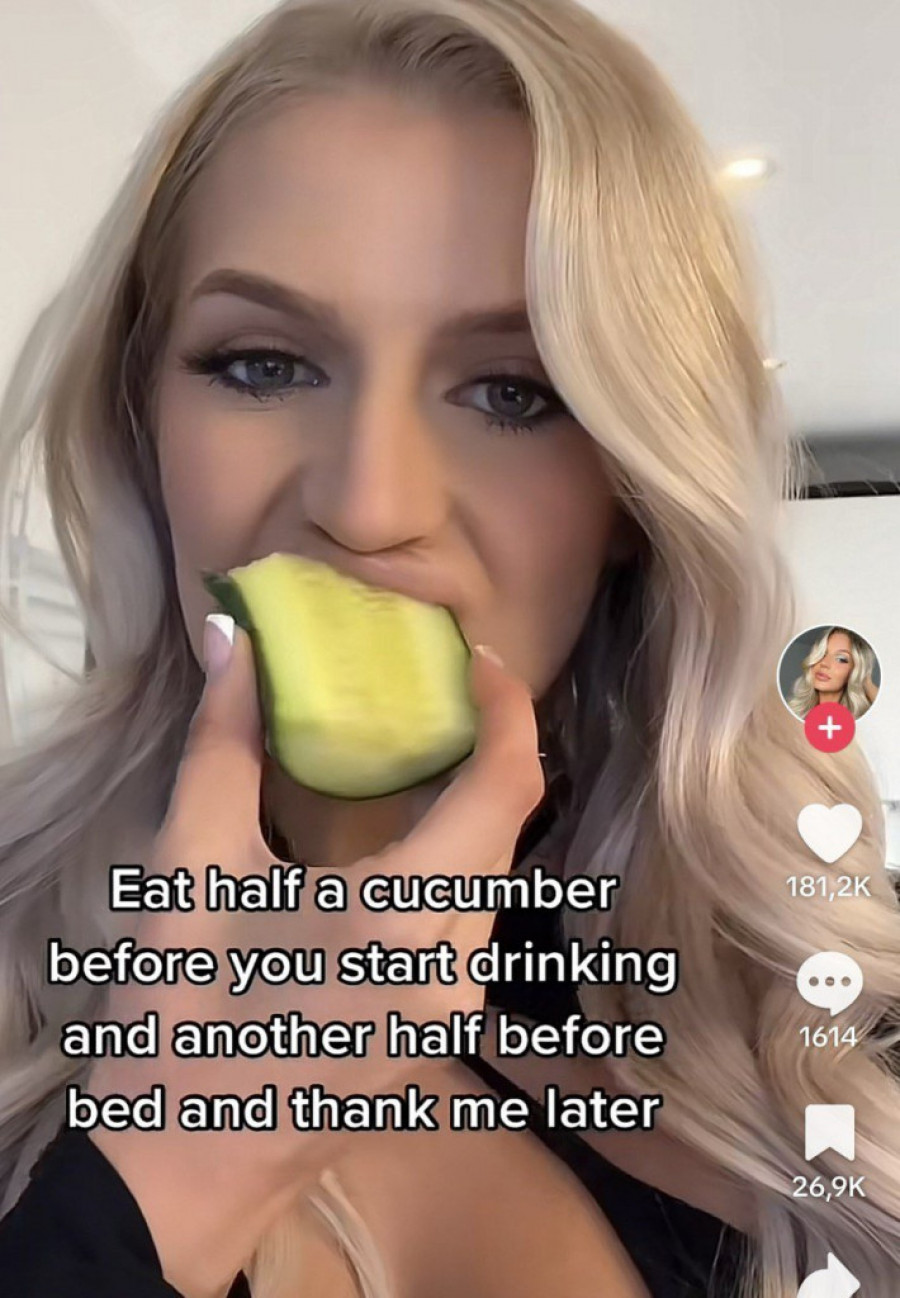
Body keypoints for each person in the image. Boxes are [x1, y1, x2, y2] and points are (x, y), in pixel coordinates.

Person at [0, 0, 898, 1294]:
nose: (369, 506)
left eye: (513, 392)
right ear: (141, 423)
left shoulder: (837, 1007)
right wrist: (171, 1176)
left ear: (633, 493)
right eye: (261, 365)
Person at [787, 626, 880, 720]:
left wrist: (866, 681)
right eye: (822, 654)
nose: (824, 663)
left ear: (855, 672)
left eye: (841, 659)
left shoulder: (863, 720)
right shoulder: (793, 713)